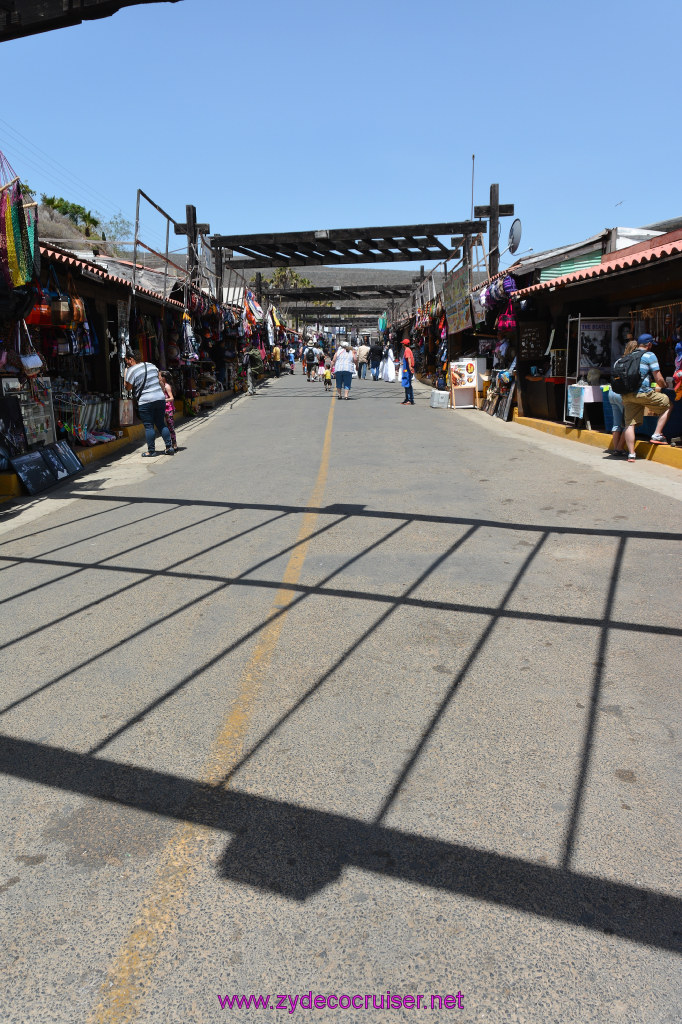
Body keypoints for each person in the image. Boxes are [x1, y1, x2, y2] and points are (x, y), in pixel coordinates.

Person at [620, 334, 671, 462]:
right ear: (649, 344)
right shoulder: (650, 355)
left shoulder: (628, 356)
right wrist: (665, 386)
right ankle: (657, 434)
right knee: (668, 405)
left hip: (627, 394)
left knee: (629, 424)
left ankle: (631, 454)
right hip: (643, 392)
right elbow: (658, 378)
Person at [124, 349, 174, 457]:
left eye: (126, 360)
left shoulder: (131, 370)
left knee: (149, 426)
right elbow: (160, 381)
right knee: (161, 423)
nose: (126, 363)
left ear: (131, 359)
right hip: (159, 398)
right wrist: (160, 393)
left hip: (145, 401)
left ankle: (151, 451)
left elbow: (127, 388)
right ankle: (169, 447)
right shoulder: (151, 365)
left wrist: (125, 373)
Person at [607, 339, 638, 456]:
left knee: (616, 423)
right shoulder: (633, 361)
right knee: (628, 423)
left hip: (612, 392)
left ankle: (616, 448)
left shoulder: (619, 361)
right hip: (622, 395)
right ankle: (619, 448)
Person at [160, 370, 178, 451]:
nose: (158, 377)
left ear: (164, 378)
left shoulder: (167, 386)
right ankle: (169, 444)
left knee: (170, 427)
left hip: (169, 409)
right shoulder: (161, 385)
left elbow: (171, 398)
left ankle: (174, 443)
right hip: (163, 409)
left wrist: (164, 400)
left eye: (160, 376)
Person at [400, 339, 415, 405]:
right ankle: (407, 399)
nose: (402, 344)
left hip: (407, 370)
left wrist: (410, 366)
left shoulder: (407, 350)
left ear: (404, 344)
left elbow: (409, 358)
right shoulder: (407, 350)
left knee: (408, 384)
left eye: (402, 343)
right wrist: (402, 363)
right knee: (406, 384)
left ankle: (409, 399)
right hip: (406, 370)